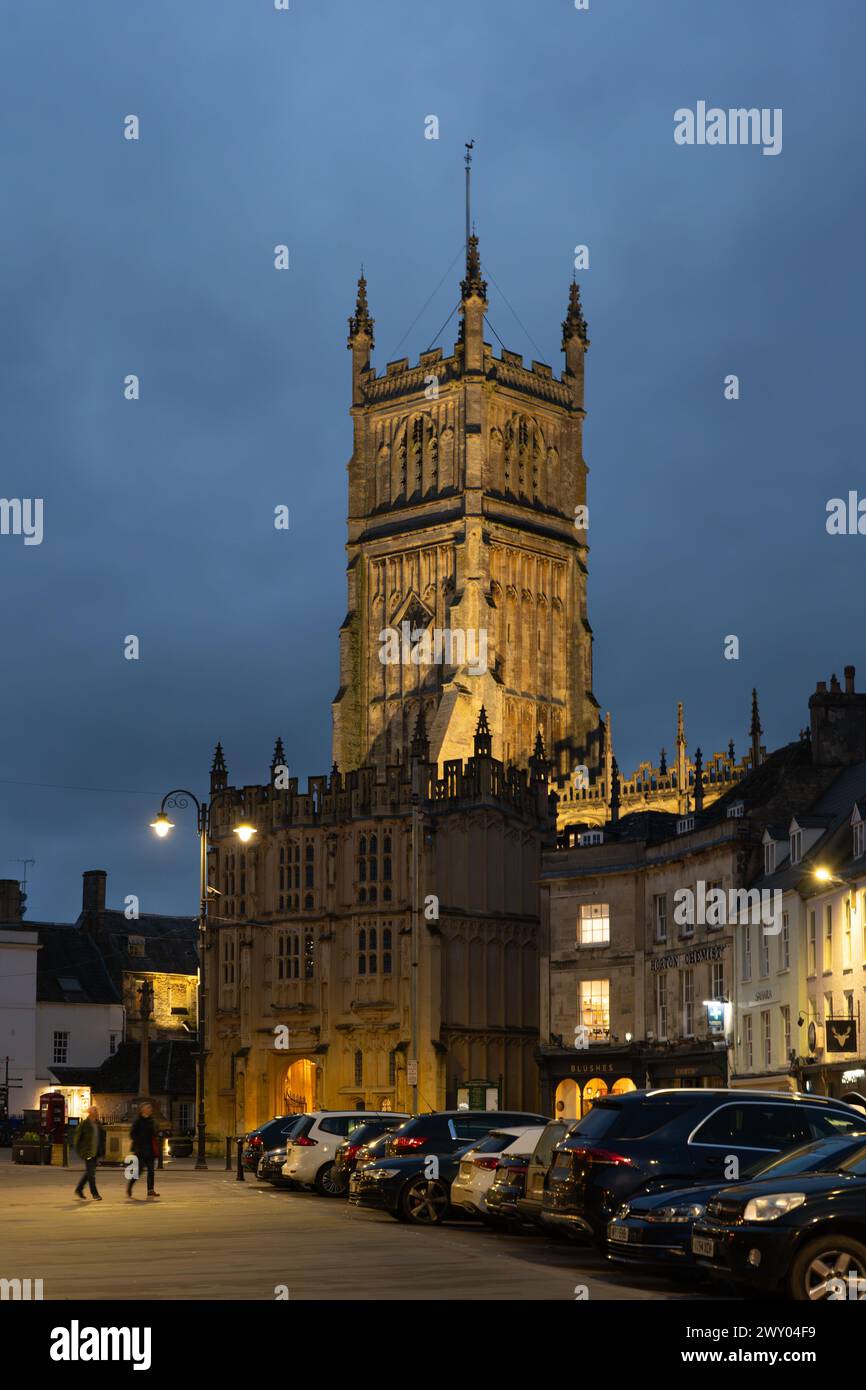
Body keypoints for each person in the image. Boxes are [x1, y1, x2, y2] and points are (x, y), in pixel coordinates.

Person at [128, 1101, 160, 1199]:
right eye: (148, 1108)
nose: (150, 1109)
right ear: (142, 1109)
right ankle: (130, 1186)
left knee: (151, 1171)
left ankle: (150, 1190)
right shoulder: (138, 1121)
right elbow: (132, 1134)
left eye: (150, 1108)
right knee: (139, 1171)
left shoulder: (152, 1121)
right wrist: (138, 1142)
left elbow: (155, 1133)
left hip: (150, 1150)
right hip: (140, 1150)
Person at [73, 1105, 105, 1200]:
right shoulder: (84, 1124)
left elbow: (102, 1139)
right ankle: (95, 1194)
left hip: (96, 1153)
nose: (96, 1112)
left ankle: (79, 1189)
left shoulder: (98, 1124)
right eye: (94, 1110)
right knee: (91, 1174)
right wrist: (80, 1151)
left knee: (89, 1173)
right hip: (87, 1152)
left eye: (96, 1110)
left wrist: (102, 1152)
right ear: (90, 1112)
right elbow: (77, 1138)